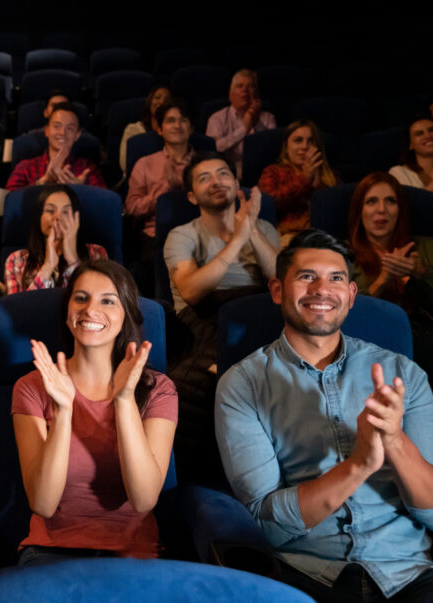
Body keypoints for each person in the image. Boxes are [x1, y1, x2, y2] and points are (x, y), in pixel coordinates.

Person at [215, 229, 433, 602]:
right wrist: (359, 465)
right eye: (306, 277)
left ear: (351, 296)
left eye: (336, 278)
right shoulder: (243, 384)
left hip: (409, 573)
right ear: (277, 290)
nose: (322, 289)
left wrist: (395, 440)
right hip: (305, 575)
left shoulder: (403, 373)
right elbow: (268, 525)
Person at [13, 259, 177, 564]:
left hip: (132, 555)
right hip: (52, 552)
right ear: (67, 312)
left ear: (125, 314)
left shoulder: (159, 389)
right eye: (81, 298)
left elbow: (143, 500)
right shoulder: (31, 386)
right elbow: (43, 504)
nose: (90, 309)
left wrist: (125, 400)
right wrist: (63, 411)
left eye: (108, 300)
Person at [163, 152, 278, 476]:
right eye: (204, 178)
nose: (216, 182)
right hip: (205, 318)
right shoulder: (183, 235)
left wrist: (251, 230)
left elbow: (282, 281)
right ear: (191, 195)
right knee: (191, 386)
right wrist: (237, 240)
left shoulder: (265, 228)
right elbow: (191, 291)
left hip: (260, 315)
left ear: (236, 182)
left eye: (223, 173)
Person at [347, 172, 433, 326]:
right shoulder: (342, 253)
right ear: (359, 210)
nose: (382, 209)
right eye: (371, 201)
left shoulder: (429, 247)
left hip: (425, 337)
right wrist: (384, 279)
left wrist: (422, 271)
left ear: (400, 209)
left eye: (391, 201)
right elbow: (345, 314)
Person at [4, 184, 108, 294]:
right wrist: (48, 267)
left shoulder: (96, 253)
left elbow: (97, 301)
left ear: (76, 218)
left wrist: (73, 261)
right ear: (39, 217)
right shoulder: (17, 259)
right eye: (50, 210)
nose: (57, 217)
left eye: (65, 212)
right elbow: (16, 309)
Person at [126, 99, 194, 241]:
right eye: (170, 120)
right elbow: (132, 209)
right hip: (157, 236)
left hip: (200, 232)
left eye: (183, 120)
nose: (177, 125)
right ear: (160, 130)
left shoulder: (205, 163)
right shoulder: (145, 163)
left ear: (191, 128)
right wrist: (162, 192)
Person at [257, 120, 337, 238]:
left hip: (325, 235)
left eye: (310, 141)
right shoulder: (273, 172)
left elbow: (337, 211)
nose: (304, 146)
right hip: (288, 235)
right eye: (298, 140)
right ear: (286, 145)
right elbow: (269, 204)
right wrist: (304, 179)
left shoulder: (330, 175)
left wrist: (317, 184)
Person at [7, 103, 106, 191]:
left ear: (77, 135)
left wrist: (81, 190)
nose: (62, 133)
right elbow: (10, 202)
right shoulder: (25, 167)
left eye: (70, 128)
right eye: (56, 126)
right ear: (47, 131)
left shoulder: (87, 167)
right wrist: (43, 182)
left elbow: (106, 205)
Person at [206, 69, 276, 179]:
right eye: (240, 86)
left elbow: (273, 150)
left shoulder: (268, 118)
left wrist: (256, 121)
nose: (245, 90)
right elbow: (215, 148)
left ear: (256, 94)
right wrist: (244, 129)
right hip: (226, 174)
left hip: (262, 174)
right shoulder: (217, 118)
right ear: (231, 94)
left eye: (250, 86)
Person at [119, 86, 171, 172]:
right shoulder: (133, 129)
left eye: (167, 99)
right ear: (150, 102)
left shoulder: (174, 131)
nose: (162, 102)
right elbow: (125, 164)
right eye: (157, 98)